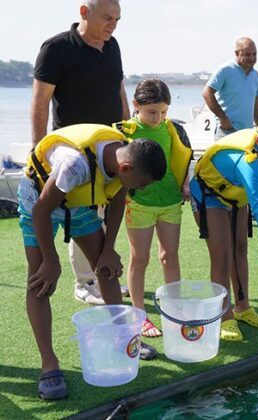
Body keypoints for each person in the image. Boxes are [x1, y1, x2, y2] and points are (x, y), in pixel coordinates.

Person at [20, 124, 166, 400]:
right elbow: (42, 210)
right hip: (39, 199)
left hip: (80, 201)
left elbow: (118, 199)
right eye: (143, 183)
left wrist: (109, 248)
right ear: (126, 169)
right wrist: (51, 261)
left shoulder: (123, 161)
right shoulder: (73, 165)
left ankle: (122, 338)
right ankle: (49, 365)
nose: (143, 189)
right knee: (39, 280)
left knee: (106, 268)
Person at [31, 0, 130, 305]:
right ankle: (85, 282)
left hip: (109, 147)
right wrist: (39, 157)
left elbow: (119, 90)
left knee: (104, 213)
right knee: (82, 213)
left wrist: (126, 134)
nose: (112, 24)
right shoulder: (56, 48)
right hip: (73, 152)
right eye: (107, 18)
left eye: (117, 19)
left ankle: (101, 272)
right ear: (84, 13)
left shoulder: (112, 47)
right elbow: (40, 102)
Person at [190, 114, 258, 342]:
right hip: (209, 194)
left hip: (234, 197)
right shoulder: (249, 163)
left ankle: (242, 306)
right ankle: (224, 316)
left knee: (240, 250)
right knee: (222, 256)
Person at [118, 80, 193, 338]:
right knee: (139, 259)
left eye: (163, 112)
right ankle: (139, 316)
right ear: (136, 105)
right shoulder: (124, 132)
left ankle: (174, 311)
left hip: (170, 202)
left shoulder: (171, 128)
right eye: (152, 112)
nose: (158, 118)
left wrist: (185, 183)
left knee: (169, 256)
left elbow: (183, 157)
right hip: (139, 204)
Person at [203, 37, 258, 140]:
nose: (252, 58)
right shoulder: (225, 70)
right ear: (237, 53)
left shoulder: (255, 75)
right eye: (248, 54)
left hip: (247, 133)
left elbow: (256, 102)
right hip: (227, 131)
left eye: (254, 54)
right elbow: (207, 93)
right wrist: (222, 118)